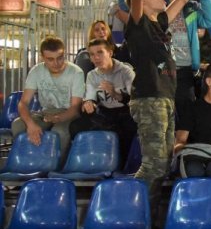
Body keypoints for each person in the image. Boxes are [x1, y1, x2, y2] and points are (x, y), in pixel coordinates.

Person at [126, 0, 204, 223]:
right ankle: (134, 215)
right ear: (142, 3)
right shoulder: (138, 24)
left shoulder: (158, 23)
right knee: (154, 165)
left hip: (165, 99)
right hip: (150, 99)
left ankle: (148, 217)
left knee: (163, 163)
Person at [11, 35, 85, 163]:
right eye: (50, 59)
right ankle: (28, 162)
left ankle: (56, 166)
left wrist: (58, 118)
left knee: (60, 131)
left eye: (60, 58)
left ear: (64, 54)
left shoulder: (76, 72)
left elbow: (75, 108)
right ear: (42, 57)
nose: (56, 63)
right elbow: (23, 103)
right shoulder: (36, 71)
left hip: (69, 113)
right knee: (18, 125)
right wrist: (30, 124)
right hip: (46, 112)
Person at [157, 0, 211, 109]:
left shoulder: (191, 8)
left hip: (186, 69)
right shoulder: (158, 6)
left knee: (187, 113)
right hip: (162, 70)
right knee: (164, 113)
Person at [68, 38, 137, 166]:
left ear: (110, 53)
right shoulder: (92, 75)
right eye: (92, 54)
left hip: (126, 111)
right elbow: (91, 97)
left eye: (100, 52)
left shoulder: (125, 71)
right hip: (106, 112)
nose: (96, 58)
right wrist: (89, 103)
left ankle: (122, 165)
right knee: (76, 125)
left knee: (126, 127)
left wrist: (115, 94)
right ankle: (86, 161)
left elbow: (134, 100)